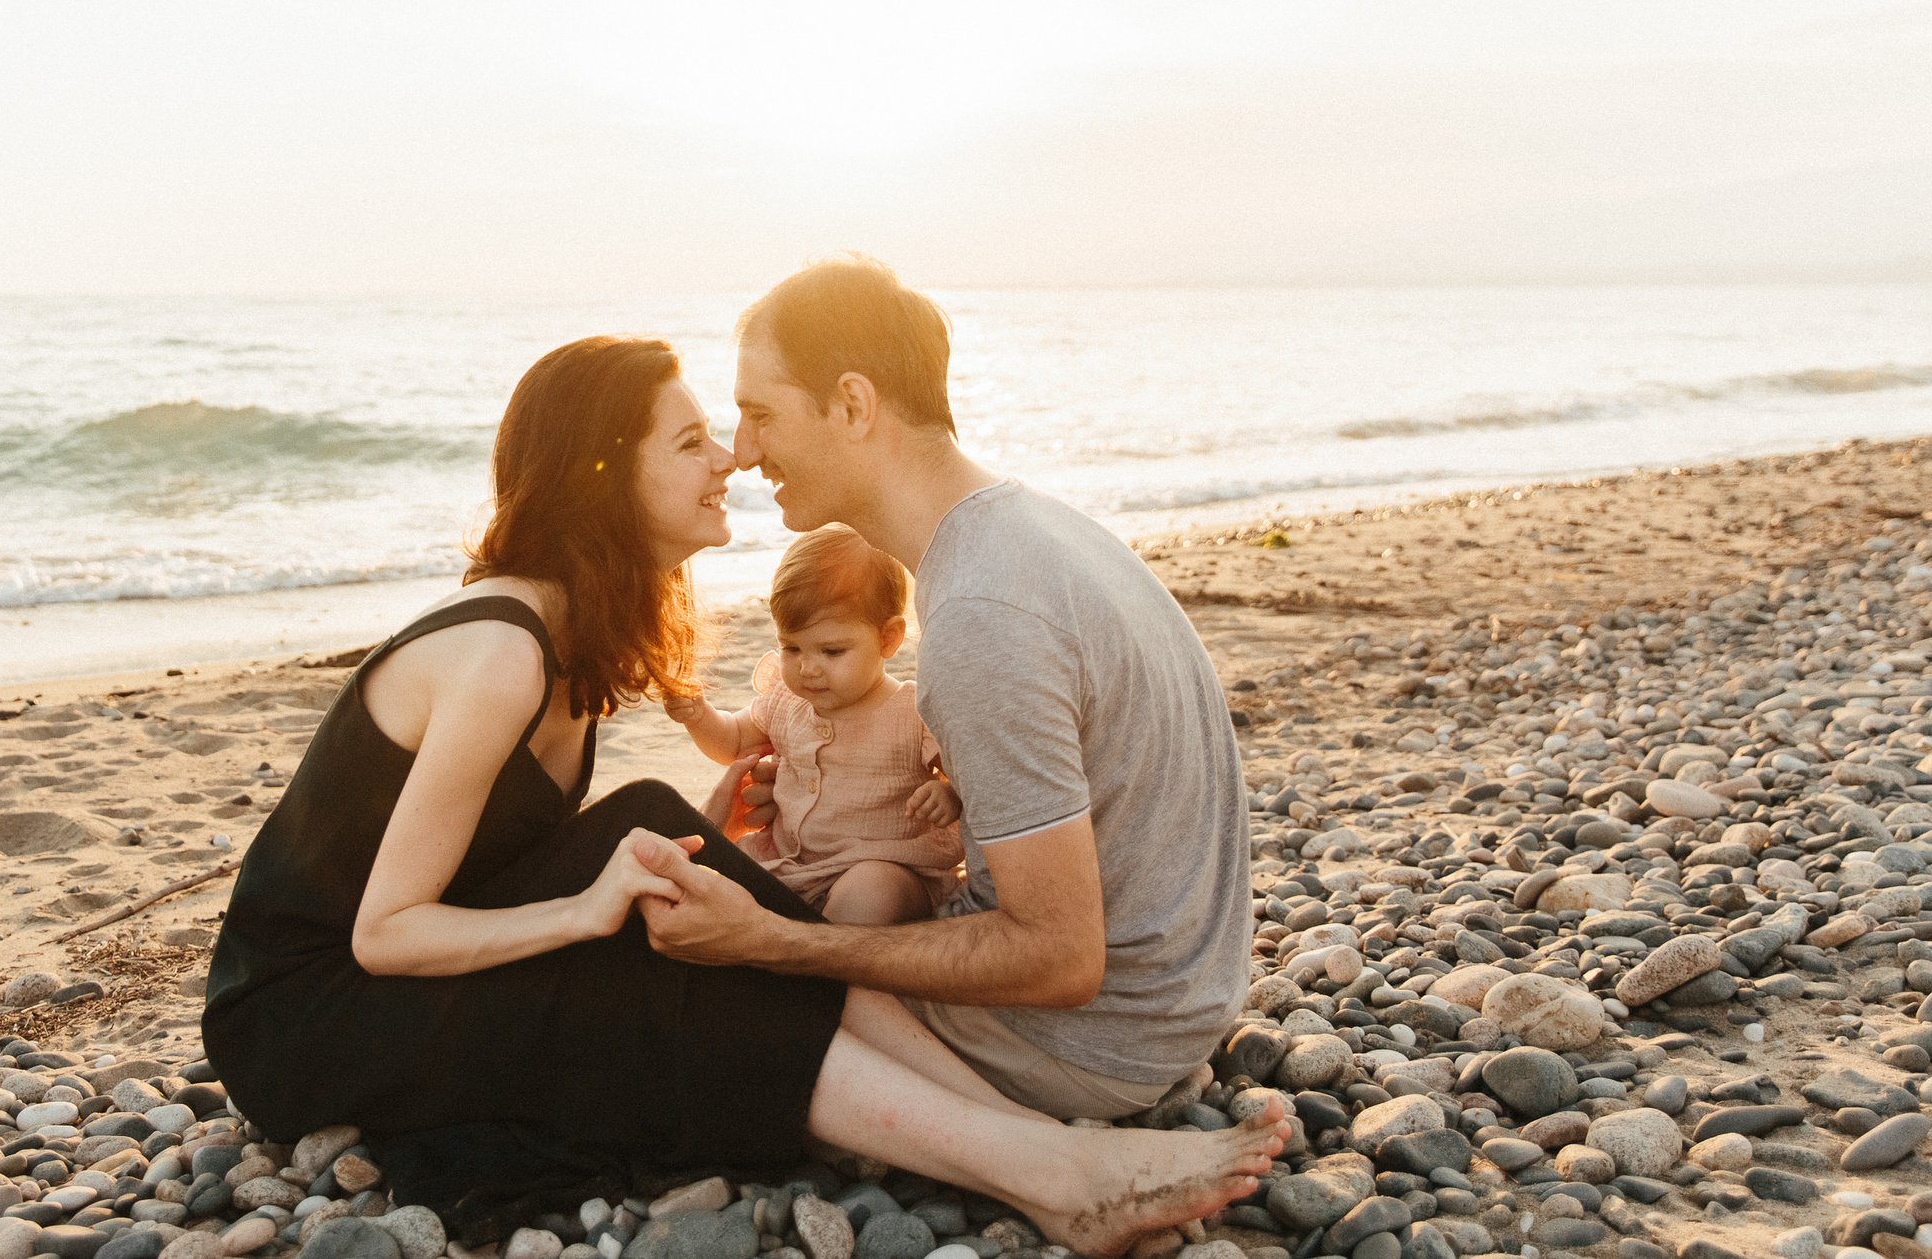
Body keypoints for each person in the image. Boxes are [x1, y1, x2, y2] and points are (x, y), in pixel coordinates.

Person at [203, 333, 1283, 1256]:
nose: (729, 455)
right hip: (309, 1016)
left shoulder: (566, 637)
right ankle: (1046, 1168)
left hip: (409, 967)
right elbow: (385, 932)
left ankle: (1028, 1141)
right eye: (689, 441)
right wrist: (588, 910)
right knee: (660, 932)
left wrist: (696, 848)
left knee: (662, 838)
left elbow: (498, 861)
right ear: (598, 475)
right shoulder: (498, 649)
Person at [635, 258, 1256, 1127]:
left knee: (657, 1002)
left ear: (853, 404)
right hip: (1177, 1000)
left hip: (1085, 1042)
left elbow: (1059, 958)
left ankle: (1053, 1164)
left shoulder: (980, 614)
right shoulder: (1035, 532)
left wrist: (776, 941)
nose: (740, 451)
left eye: (760, 412)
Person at [659, 523, 964, 924]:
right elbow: (732, 742)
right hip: (792, 867)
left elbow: (972, 775)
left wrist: (950, 794)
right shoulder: (786, 701)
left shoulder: (913, 710)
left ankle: (827, 961)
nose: (807, 668)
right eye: (791, 647)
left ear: (888, 638)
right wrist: (700, 717)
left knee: (870, 891)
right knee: (716, 885)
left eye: (832, 651)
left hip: (887, 867)